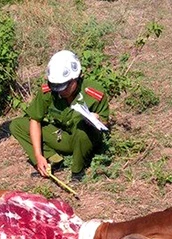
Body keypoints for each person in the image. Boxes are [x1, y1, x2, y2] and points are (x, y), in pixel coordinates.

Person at [10, 50, 109, 182]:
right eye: (56, 86)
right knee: (18, 125)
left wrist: (96, 118)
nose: (60, 91)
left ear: (77, 77)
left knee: (81, 127)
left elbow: (105, 122)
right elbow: (35, 120)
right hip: (62, 136)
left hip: (85, 139)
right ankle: (54, 160)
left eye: (65, 86)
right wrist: (38, 155)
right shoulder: (48, 91)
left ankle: (77, 170)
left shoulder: (93, 92)